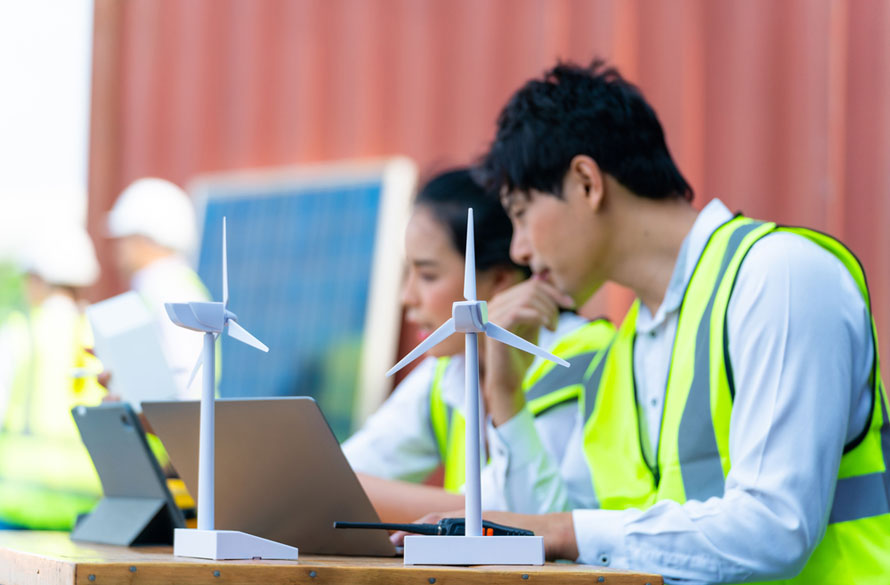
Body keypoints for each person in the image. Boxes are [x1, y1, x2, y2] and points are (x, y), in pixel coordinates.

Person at [444, 59, 890, 584]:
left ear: (587, 182)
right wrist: (506, 394)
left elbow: (775, 527)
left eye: (520, 213)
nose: (519, 248)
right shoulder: (626, 348)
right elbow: (565, 532)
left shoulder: (780, 277)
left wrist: (562, 531)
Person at [342, 168, 614, 522]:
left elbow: (527, 517)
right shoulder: (445, 370)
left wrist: (355, 495)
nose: (406, 297)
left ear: (500, 279)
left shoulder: (582, 358)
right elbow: (340, 473)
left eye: (427, 275)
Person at [0, 223, 106, 530]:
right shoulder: (97, 333)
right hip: (89, 512)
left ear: (37, 279)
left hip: (19, 509)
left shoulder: (19, 335)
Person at [106, 178, 211, 399]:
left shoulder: (167, 288)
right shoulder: (172, 286)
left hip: (176, 431)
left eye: (124, 238)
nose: (117, 249)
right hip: (178, 430)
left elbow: (186, 383)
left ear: (146, 237)